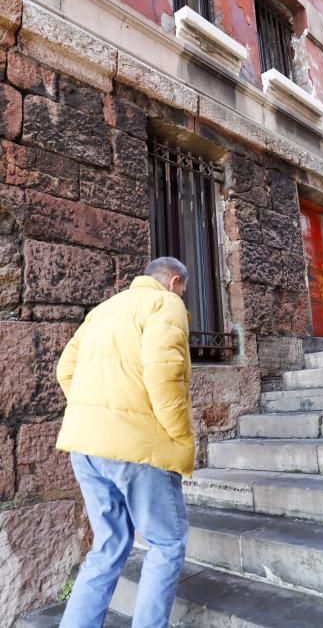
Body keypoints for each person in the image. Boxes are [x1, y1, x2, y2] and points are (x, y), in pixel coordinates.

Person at [55, 257, 195, 628]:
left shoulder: (103, 310)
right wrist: (179, 435)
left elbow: (64, 370)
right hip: (139, 447)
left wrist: (97, 413)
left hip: (85, 446)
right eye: (183, 290)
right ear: (174, 281)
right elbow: (164, 375)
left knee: (108, 545)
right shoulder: (166, 303)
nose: (183, 296)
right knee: (166, 544)